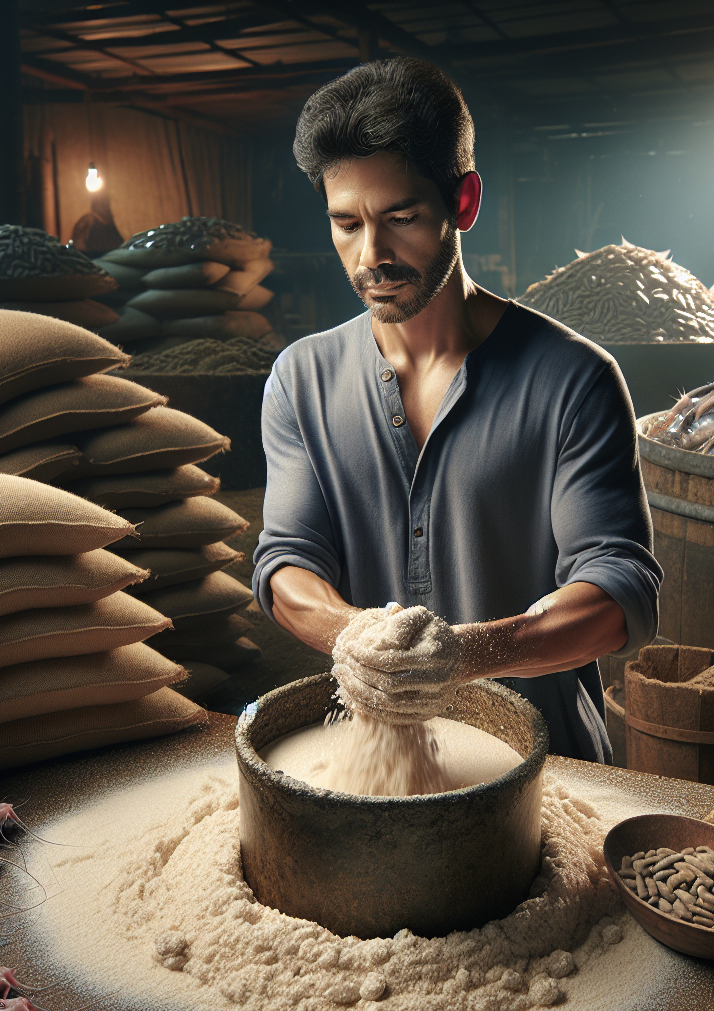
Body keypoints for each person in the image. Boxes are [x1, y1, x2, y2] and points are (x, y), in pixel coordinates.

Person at [252, 57, 662, 762]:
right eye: (345, 224)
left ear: (463, 202)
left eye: (400, 217)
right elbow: (287, 564)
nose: (370, 254)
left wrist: (464, 654)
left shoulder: (574, 379)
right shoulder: (300, 379)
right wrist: (361, 639)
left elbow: (616, 592)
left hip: (549, 765)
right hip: (380, 766)